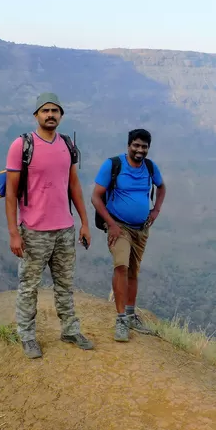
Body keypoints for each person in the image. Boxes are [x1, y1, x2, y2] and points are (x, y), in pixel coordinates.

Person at [5, 92, 94, 359]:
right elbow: (10, 193)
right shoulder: (22, 145)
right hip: (33, 230)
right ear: (36, 115)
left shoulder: (66, 145)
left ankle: (69, 329)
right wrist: (13, 233)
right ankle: (27, 336)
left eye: (55, 111)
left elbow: (74, 186)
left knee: (65, 283)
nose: (51, 115)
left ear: (61, 116)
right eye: (45, 110)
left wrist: (84, 223)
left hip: (64, 229)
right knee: (29, 285)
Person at [91, 129, 166, 342]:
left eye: (144, 146)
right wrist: (111, 224)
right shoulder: (113, 165)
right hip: (119, 226)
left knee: (133, 270)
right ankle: (122, 319)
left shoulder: (150, 168)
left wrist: (156, 210)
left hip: (141, 228)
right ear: (129, 145)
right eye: (136, 145)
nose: (140, 150)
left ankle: (132, 315)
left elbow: (161, 188)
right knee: (121, 266)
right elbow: (96, 197)